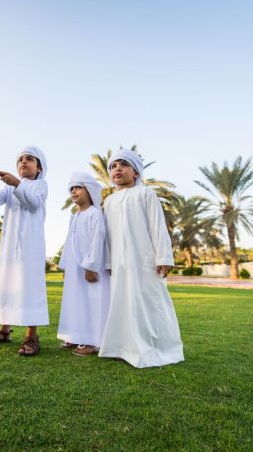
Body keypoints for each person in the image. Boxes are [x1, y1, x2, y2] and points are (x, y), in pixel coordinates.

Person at [98, 149, 184, 368]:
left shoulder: (145, 193)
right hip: (119, 262)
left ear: (135, 172)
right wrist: (108, 262)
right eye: (113, 166)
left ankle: (156, 349)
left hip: (145, 259)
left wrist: (163, 257)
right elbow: (107, 235)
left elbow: (157, 226)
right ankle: (122, 348)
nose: (117, 169)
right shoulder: (109, 201)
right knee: (122, 304)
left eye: (123, 165)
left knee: (147, 304)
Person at [0, 147, 48, 356]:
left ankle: (31, 336)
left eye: (29, 159)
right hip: (9, 247)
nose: (23, 162)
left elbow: (34, 204)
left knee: (30, 287)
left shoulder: (40, 185)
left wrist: (16, 183)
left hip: (31, 247)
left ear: (39, 167)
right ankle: (4, 331)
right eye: (20, 160)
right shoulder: (9, 188)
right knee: (7, 285)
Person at [57, 172, 111, 356]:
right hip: (74, 269)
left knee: (93, 303)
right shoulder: (74, 216)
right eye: (71, 188)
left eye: (78, 187)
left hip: (90, 269)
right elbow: (69, 241)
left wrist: (91, 267)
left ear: (90, 190)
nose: (73, 191)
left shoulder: (95, 214)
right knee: (75, 302)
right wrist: (65, 265)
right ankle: (75, 334)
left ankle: (93, 341)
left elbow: (98, 240)